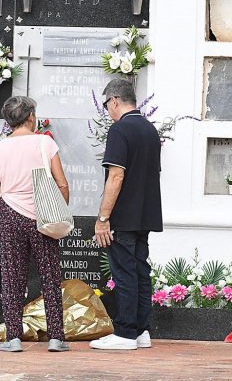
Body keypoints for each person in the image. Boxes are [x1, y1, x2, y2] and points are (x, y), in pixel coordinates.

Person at [0, 96, 70, 352]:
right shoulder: (45, 143)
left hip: (11, 215)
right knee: (49, 276)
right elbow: (62, 183)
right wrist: (57, 209)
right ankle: (56, 338)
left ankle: (13, 338)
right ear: (31, 116)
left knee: (12, 277)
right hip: (42, 216)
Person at [90, 79, 163, 350]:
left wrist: (103, 218)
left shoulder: (120, 130)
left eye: (107, 104)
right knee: (141, 271)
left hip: (123, 216)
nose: (108, 110)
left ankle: (125, 333)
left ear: (115, 101)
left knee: (124, 274)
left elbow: (116, 176)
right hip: (145, 214)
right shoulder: (149, 129)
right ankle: (142, 330)